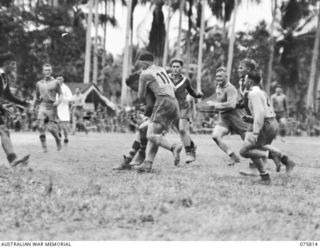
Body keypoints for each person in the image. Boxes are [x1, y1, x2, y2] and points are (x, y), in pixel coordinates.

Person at [239, 71, 295, 184]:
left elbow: (260, 113)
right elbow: (265, 111)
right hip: (271, 122)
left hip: (266, 124)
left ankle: (278, 157)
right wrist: (250, 119)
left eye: (245, 79)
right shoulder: (260, 92)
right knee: (259, 148)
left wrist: (255, 132)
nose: (244, 81)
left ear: (250, 81)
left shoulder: (253, 93)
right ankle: (266, 176)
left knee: (244, 151)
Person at [134, 52, 182, 173]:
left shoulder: (144, 74)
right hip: (174, 103)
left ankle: (173, 147)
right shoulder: (161, 69)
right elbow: (174, 88)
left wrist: (147, 98)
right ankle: (147, 164)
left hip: (163, 102)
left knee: (150, 135)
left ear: (145, 62)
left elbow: (140, 96)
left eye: (140, 63)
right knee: (155, 134)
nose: (140, 65)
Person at [207, 67, 248, 166]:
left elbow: (231, 105)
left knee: (249, 145)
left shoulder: (231, 89)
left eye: (220, 76)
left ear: (226, 76)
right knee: (215, 136)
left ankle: (274, 156)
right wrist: (216, 106)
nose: (218, 78)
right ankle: (233, 156)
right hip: (225, 119)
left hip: (237, 119)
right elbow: (222, 103)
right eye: (217, 76)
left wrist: (215, 105)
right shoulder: (218, 87)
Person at [169, 58, 203, 163]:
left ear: (181, 68)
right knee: (181, 132)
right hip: (172, 108)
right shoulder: (166, 78)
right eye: (173, 67)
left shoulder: (185, 80)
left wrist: (198, 94)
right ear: (171, 68)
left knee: (183, 129)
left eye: (177, 67)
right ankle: (192, 146)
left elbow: (191, 91)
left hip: (183, 107)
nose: (175, 69)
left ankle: (188, 153)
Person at [0, 52, 30, 167]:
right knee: (3, 130)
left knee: (4, 131)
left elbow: (8, 96)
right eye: (13, 64)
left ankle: (13, 159)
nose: (14, 67)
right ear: (6, 64)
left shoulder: (5, 78)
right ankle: (12, 159)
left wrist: (24, 103)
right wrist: (2, 107)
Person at [33, 63, 62, 152]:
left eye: (49, 70)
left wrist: (58, 101)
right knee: (40, 126)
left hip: (52, 106)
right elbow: (37, 97)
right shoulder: (39, 83)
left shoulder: (56, 82)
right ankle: (44, 148)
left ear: (51, 71)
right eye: (46, 70)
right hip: (42, 105)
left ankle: (57, 140)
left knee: (51, 129)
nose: (47, 72)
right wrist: (34, 106)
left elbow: (61, 94)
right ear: (43, 71)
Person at [56, 76, 73, 145]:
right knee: (57, 124)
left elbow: (71, 98)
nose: (59, 80)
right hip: (57, 108)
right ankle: (59, 134)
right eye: (57, 79)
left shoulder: (66, 88)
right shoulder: (54, 88)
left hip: (64, 109)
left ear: (63, 80)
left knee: (64, 126)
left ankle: (66, 138)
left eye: (60, 79)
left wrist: (63, 98)